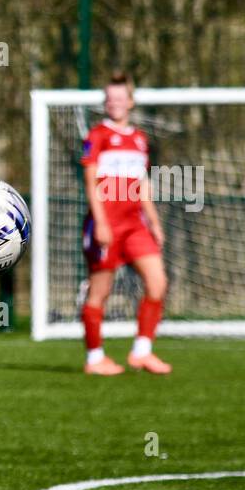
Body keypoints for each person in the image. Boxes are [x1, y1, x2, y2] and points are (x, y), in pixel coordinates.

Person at [79, 71, 171, 375]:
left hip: (135, 226)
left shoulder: (140, 139)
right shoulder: (97, 136)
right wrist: (101, 222)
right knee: (99, 293)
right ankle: (95, 358)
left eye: (120, 97)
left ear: (130, 101)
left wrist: (154, 222)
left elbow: (142, 184)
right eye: (109, 98)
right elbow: (91, 182)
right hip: (106, 225)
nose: (114, 103)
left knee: (157, 281)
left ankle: (142, 351)